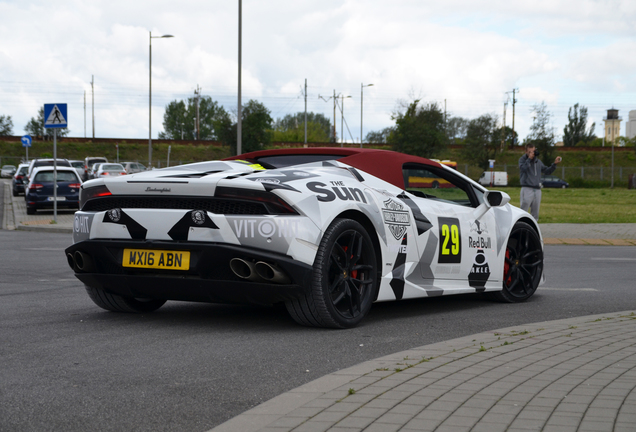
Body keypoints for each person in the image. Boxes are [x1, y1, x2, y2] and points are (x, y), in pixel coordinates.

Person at [518, 144, 562, 221]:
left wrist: (554, 164)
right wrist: (529, 159)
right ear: (526, 152)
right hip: (527, 188)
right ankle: (521, 226)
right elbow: (523, 169)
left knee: (535, 213)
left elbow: (547, 171)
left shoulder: (538, 162)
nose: (532, 153)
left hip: (537, 189)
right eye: (530, 152)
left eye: (533, 151)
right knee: (523, 211)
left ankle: (534, 228)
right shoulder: (522, 160)